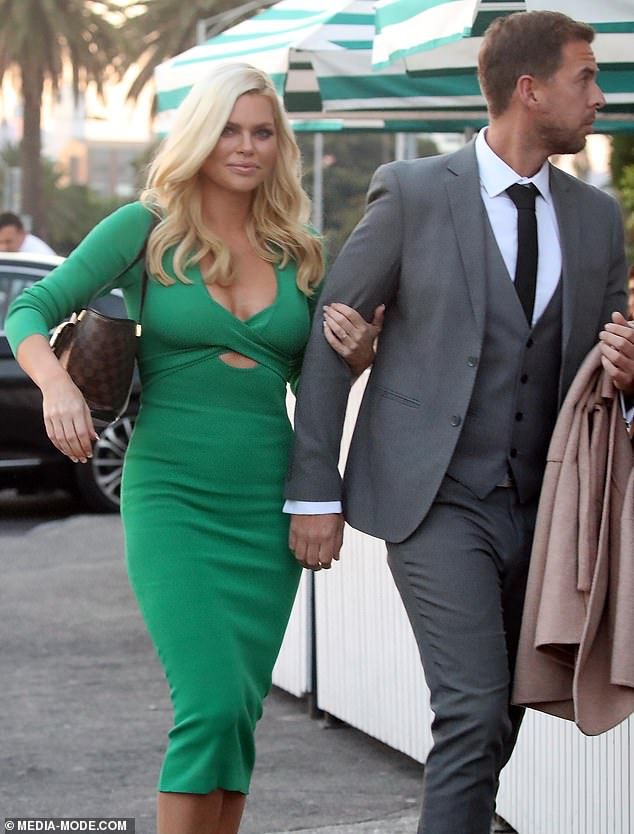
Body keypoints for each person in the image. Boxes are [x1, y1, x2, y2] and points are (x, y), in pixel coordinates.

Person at [5, 63, 380, 834]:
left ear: (279, 145)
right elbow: (29, 309)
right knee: (207, 703)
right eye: (229, 131)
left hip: (266, 500)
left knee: (237, 710)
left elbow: (316, 384)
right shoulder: (145, 227)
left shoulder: (302, 250)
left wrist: (359, 354)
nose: (246, 146)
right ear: (200, 137)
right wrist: (57, 386)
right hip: (173, 493)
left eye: (262, 133)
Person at [284, 11, 634, 834]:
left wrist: (627, 377)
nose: (601, 97)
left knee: (501, 714)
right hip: (436, 499)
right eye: (586, 77)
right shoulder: (411, 193)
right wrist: (314, 492)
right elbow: (331, 340)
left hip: (548, 511)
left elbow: (604, 370)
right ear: (529, 89)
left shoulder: (595, 216)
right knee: (473, 709)